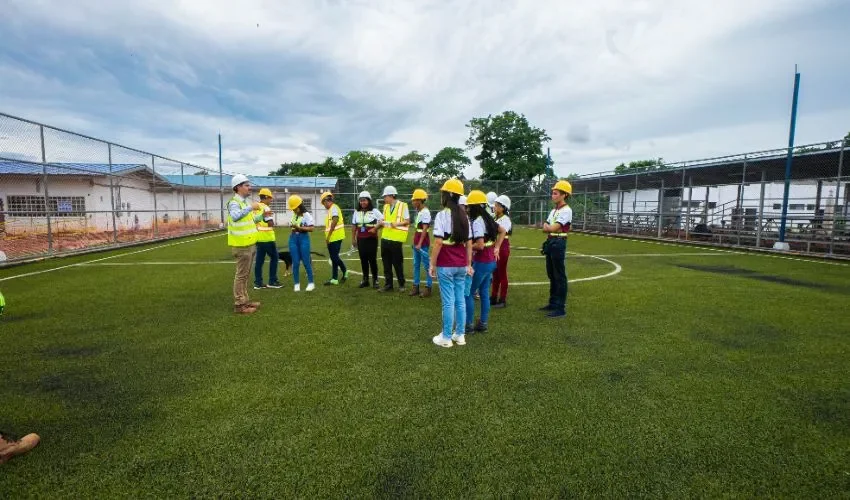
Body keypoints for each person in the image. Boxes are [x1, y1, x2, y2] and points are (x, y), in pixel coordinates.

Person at [429, 178, 473, 348]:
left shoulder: (442, 215)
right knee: (460, 300)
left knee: (448, 302)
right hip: (462, 264)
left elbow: (438, 242)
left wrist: (432, 264)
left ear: (448, 195)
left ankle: (446, 337)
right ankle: (459, 335)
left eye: (443, 193)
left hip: (446, 264)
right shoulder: (465, 216)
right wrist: (468, 264)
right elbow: (469, 243)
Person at [464, 190, 506, 334]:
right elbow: (503, 231)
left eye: (469, 207)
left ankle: (468, 325)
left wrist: (466, 246)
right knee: (483, 292)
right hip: (490, 262)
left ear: (474, 207)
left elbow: (480, 245)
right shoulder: (488, 218)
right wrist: (497, 248)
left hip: (481, 262)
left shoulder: (477, 221)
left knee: (468, 293)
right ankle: (483, 323)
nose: (467, 209)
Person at [227, 174, 263, 314]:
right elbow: (236, 217)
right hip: (242, 246)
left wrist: (262, 217)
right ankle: (239, 305)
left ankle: (245, 301)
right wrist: (250, 208)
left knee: (246, 274)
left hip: (249, 244)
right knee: (241, 275)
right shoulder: (234, 203)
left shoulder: (244, 203)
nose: (250, 188)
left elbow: (252, 220)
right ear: (238, 187)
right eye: (247, 185)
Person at [541, 180, 573, 318]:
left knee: (559, 275)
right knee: (552, 274)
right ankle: (553, 303)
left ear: (564, 195)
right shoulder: (554, 210)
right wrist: (549, 227)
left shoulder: (567, 210)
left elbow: (551, 227)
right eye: (553, 193)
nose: (552, 196)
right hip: (551, 241)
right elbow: (545, 227)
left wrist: (549, 227)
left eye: (555, 193)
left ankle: (560, 308)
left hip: (559, 242)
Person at [378, 185, 410, 292]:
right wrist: (381, 222)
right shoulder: (385, 207)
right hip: (385, 238)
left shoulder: (403, 205)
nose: (384, 198)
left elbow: (407, 221)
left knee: (397, 263)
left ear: (392, 195)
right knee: (386, 263)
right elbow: (383, 219)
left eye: (385, 196)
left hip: (396, 239)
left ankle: (401, 284)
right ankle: (388, 284)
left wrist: (397, 223)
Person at [351, 191, 383, 289]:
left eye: (364, 200)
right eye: (361, 201)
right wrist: (353, 239)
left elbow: (383, 221)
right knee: (363, 260)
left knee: (372, 260)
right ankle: (365, 280)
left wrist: (375, 228)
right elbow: (354, 226)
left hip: (371, 240)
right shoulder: (357, 212)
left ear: (368, 201)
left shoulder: (375, 211)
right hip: (361, 240)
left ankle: (375, 280)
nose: (362, 202)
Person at [253, 188, 281, 289]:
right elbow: (270, 223)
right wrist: (272, 222)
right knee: (274, 257)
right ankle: (272, 281)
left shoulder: (255, 207)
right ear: (265, 197)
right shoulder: (266, 208)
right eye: (270, 198)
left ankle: (258, 283)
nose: (271, 200)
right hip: (267, 238)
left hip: (258, 238)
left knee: (259, 261)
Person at [287, 194, 316, 292]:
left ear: (300, 206)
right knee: (295, 262)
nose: (293, 210)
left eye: (295, 208)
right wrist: (293, 227)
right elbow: (293, 226)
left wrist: (300, 228)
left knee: (306, 262)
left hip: (304, 239)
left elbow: (311, 228)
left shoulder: (307, 215)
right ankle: (296, 284)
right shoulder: (294, 215)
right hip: (293, 239)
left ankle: (311, 283)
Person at [320, 192, 349, 286]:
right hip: (333, 237)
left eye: (323, 203)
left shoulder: (334, 208)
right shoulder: (332, 209)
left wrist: (328, 236)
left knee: (334, 257)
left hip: (335, 237)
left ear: (326, 201)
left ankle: (344, 271)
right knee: (334, 257)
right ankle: (334, 279)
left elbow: (335, 220)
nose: (323, 205)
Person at [409, 188, 433, 298]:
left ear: (419, 200)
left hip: (422, 242)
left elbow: (424, 229)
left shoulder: (426, 212)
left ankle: (428, 287)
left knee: (426, 265)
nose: (413, 202)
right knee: (416, 264)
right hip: (417, 240)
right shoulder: (419, 212)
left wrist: (419, 243)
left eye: (414, 200)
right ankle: (416, 286)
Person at [490, 195, 512, 308]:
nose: (494, 207)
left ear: (503, 208)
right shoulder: (496, 217)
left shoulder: (505, 219)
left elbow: (502, 235)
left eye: (497, 205)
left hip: (502, 247)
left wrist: (497, 248)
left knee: (502, 272)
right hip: (496, 246)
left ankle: (502, 299)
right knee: (495, 273)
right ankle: (493, 297)